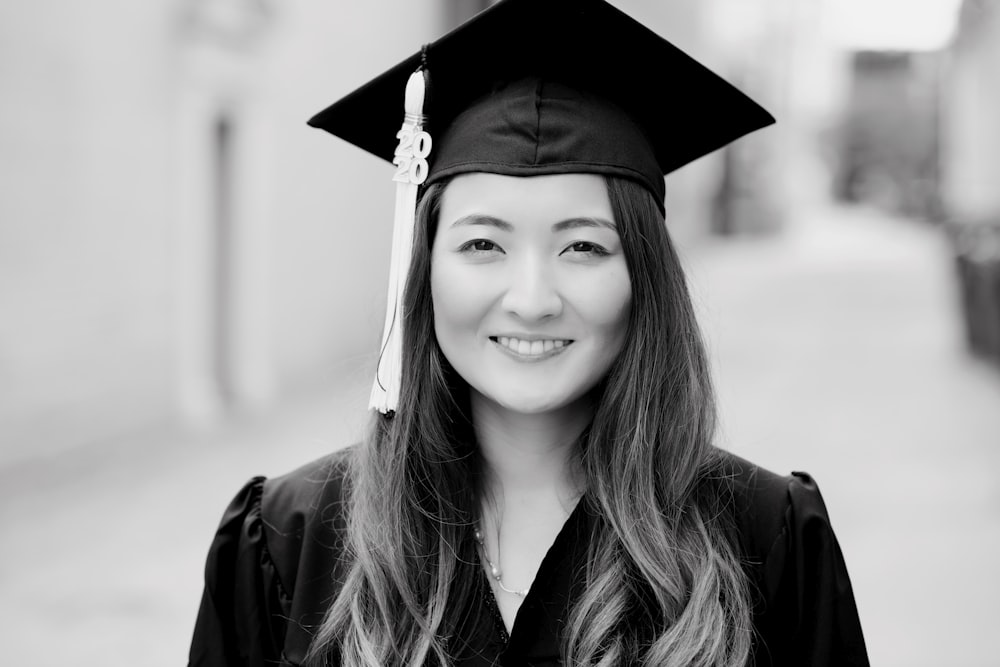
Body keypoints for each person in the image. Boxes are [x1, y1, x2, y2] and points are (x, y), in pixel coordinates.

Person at [188, 0, 869, 665]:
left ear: (645, 277)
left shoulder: (764, 539)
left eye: (585, 248)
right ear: (424, 269)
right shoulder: (287, 541)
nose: (533, 300)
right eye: (484, 244)